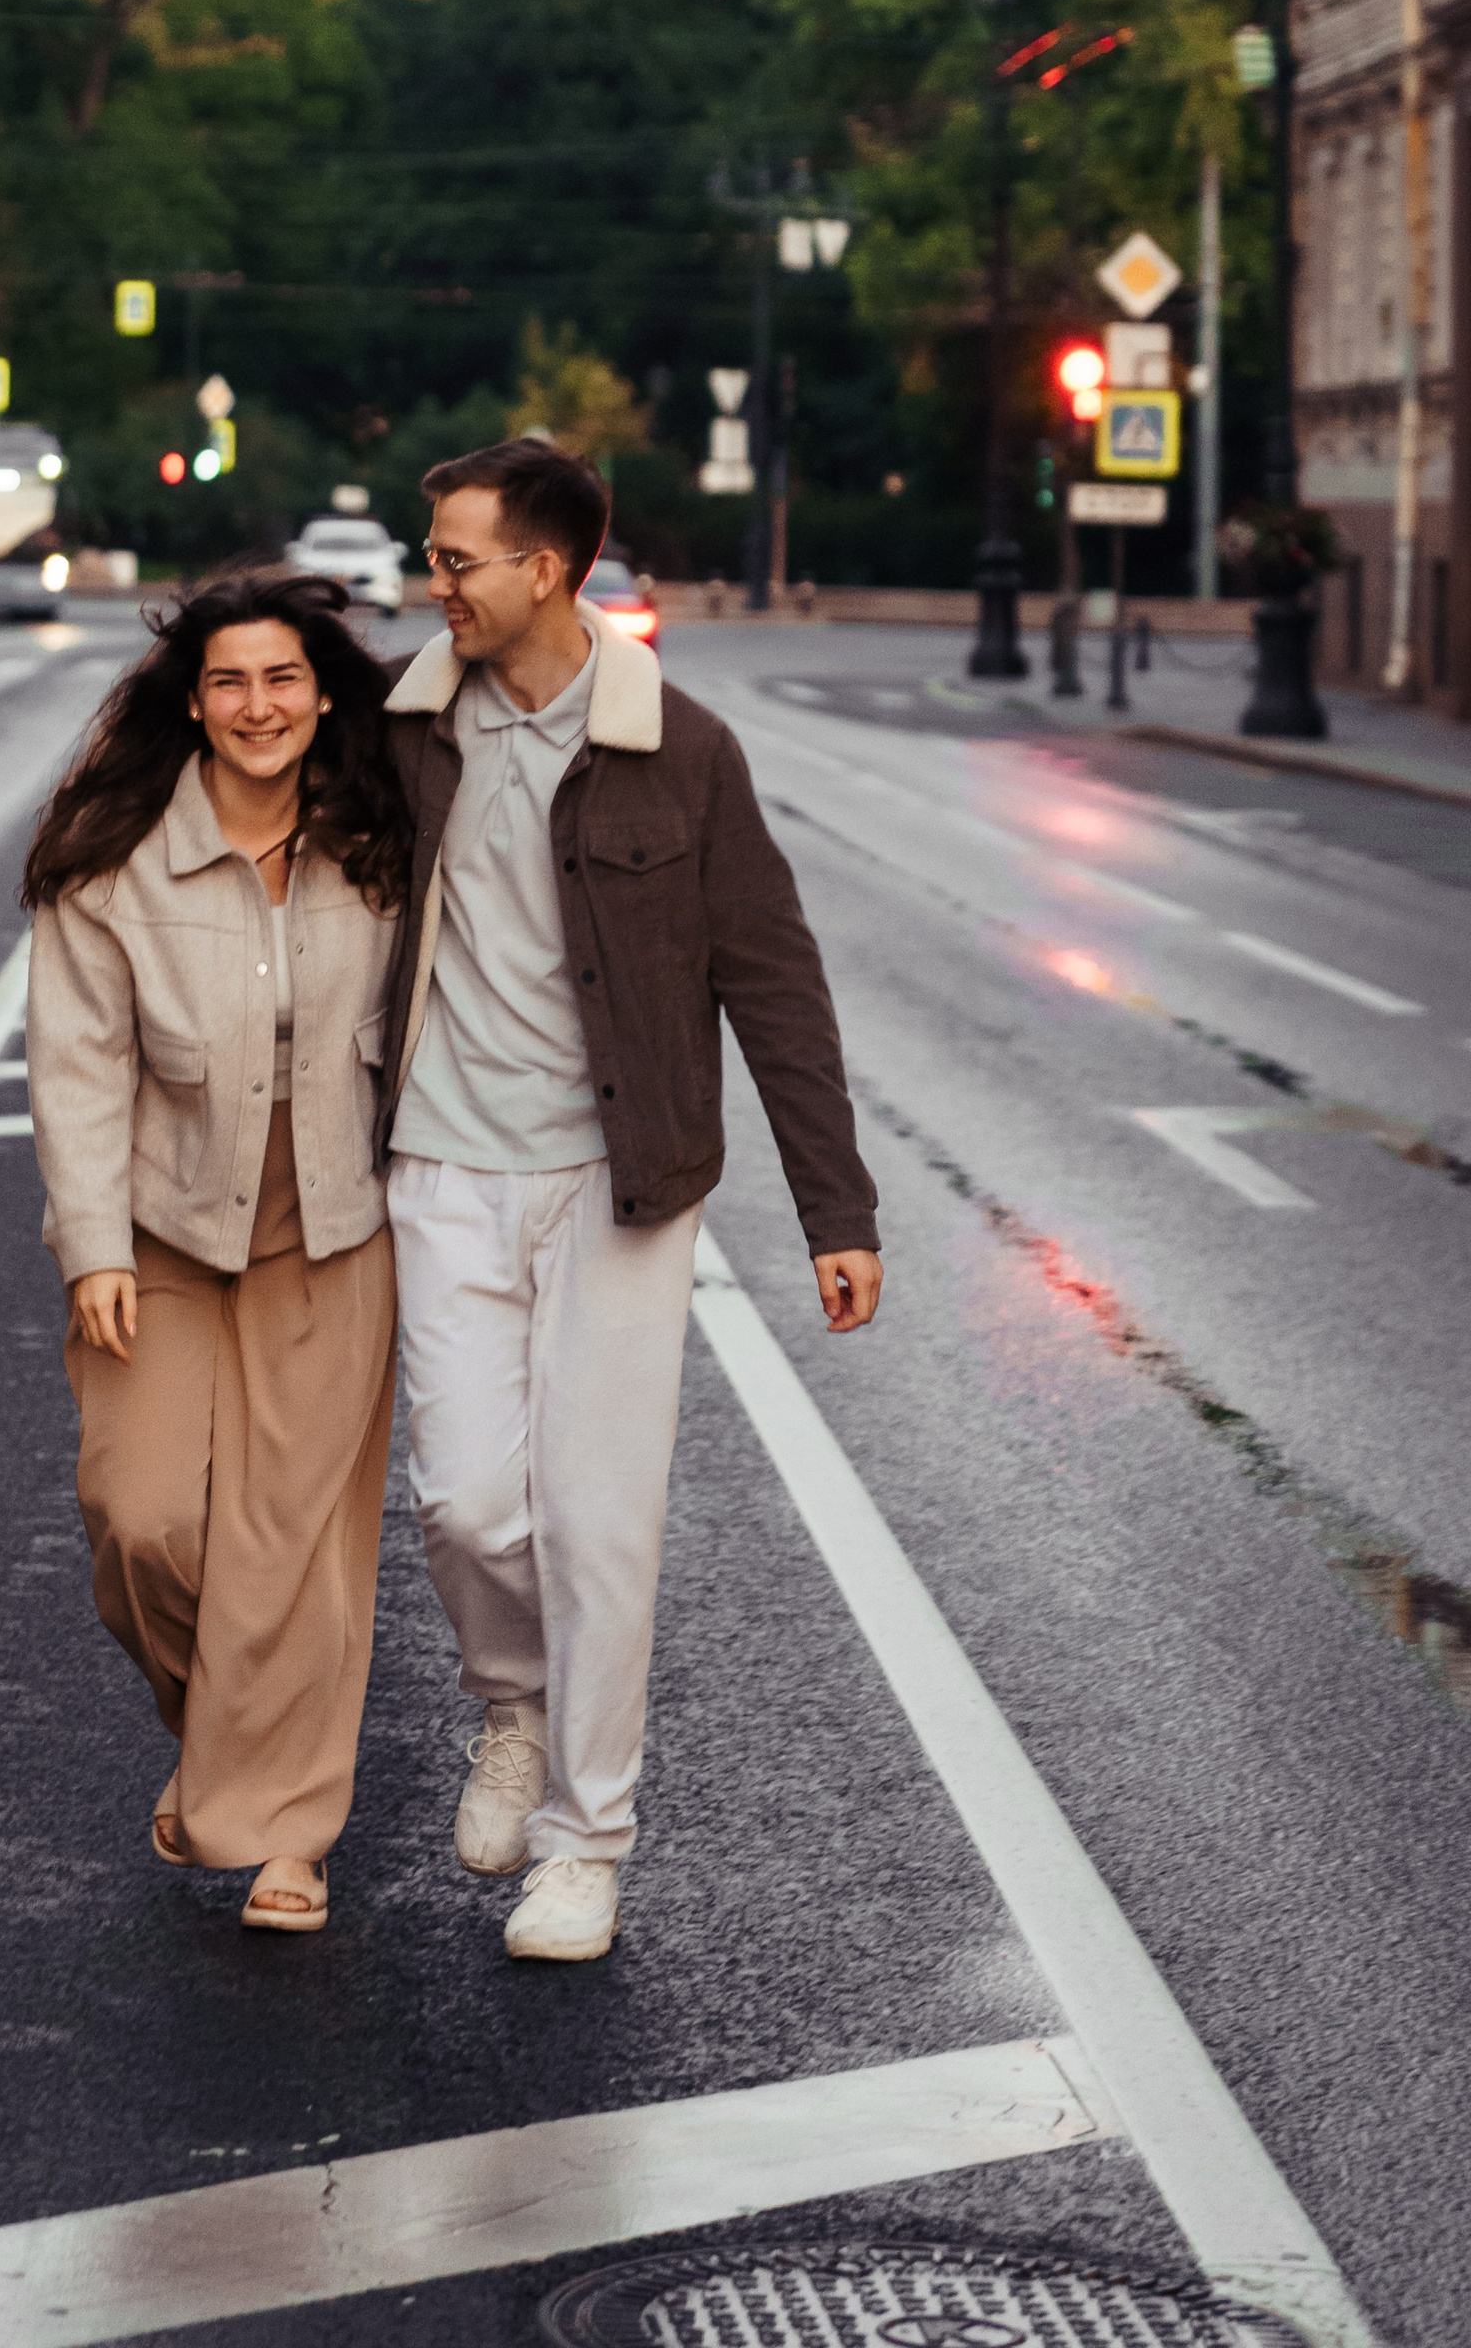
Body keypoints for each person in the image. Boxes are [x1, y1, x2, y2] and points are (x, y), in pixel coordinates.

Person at [380, 436, 880, 1965]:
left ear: (548, 570)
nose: (434, 582)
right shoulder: (401, 728)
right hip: (442, 1167)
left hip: (621, 1180)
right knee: (464, 1503)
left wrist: (834, 1207)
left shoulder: (683, 747)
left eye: (457, 558)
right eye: (433, 556)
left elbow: (772, 980)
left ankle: (588, 1842)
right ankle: (510, 1708)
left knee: (603, 1522)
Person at [24, 568, 408, 1934]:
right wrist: (91, 1248)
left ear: (321, 695)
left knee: (291, 1547)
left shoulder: (381, 838)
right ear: (194, 703)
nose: (260, 706)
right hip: (164, 1234)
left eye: (285, 679)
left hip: (336, 1228)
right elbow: (76, 1067)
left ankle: (289, 1833)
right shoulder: (112, 857)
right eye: (233, 681)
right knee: (144, 1519)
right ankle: (237, 1747)